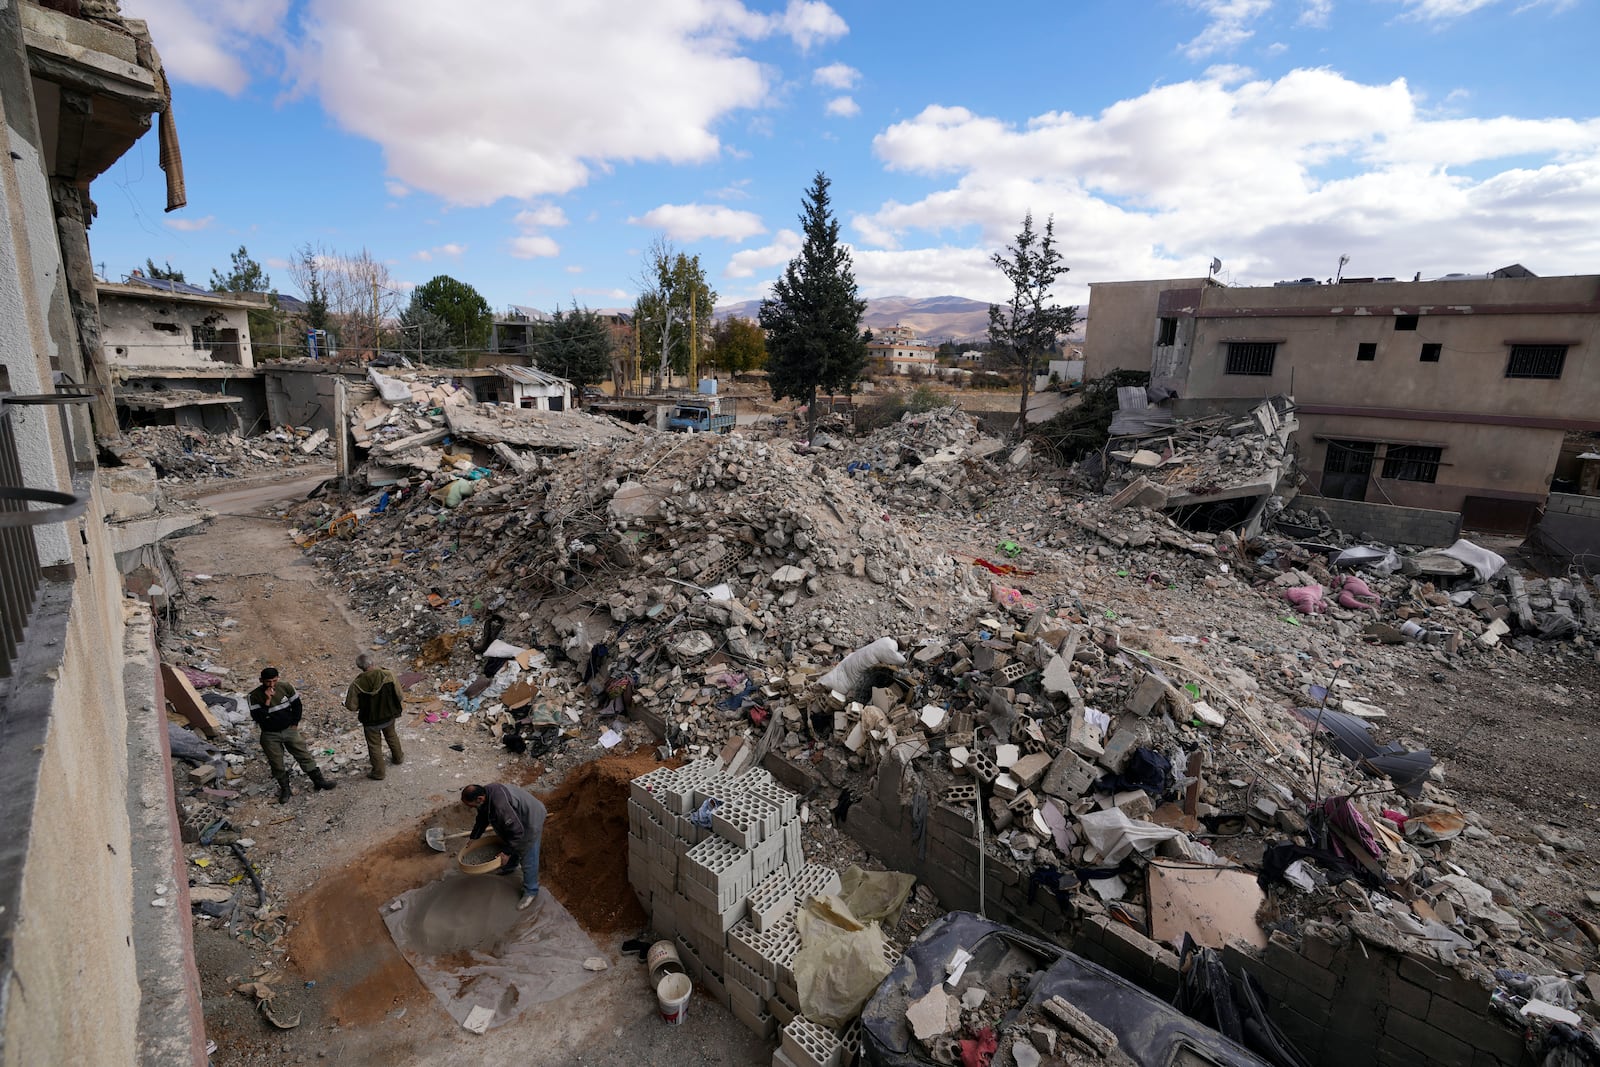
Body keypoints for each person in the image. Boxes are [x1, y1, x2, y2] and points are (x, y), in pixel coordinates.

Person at [248, 667, 336, 803]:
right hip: (270, 734)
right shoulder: (254, 696)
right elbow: (259, 718)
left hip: (289, 729)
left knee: (303, 755)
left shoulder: (286, 687)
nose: (271, 685)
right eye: (268, 682)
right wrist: (267, 700)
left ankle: (319, 781)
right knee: (276, 763)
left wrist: (295, 723)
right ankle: (285, 789)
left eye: (274, 681)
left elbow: (297, 705)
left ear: (278, 678)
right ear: (261, 681)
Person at [461, 783, 546, 910]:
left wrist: (506, 852)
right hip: (515, 818)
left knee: (527, 854)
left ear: (480, 799)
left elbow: (517, 833)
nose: (472, 808)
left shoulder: (500, 807)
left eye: (472, 806)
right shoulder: (486, 795)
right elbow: (482, 817)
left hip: (530, 819)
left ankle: (531, 891)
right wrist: (474, 836)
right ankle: (510, 867)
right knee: (508, 839)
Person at [345, 652, 404, 781]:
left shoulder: (357, 684)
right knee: (391, 735)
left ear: (360, 667)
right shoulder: (388, 675)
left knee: (374, 745)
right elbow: (399, 695)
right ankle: (398, 758)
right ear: (372, 662)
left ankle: (379, 773)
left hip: (370, 720)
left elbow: (352, 706)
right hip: (388, 715)